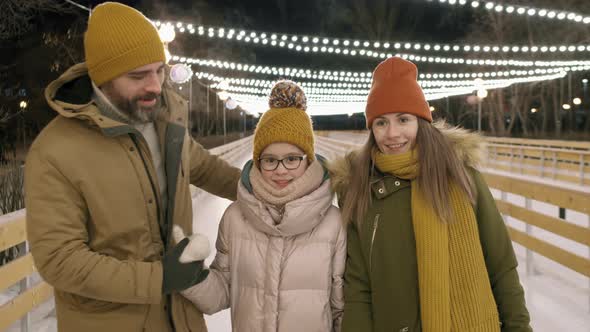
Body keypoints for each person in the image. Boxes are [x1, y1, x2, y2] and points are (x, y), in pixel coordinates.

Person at [24, 2, 240, 332]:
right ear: (103, 77)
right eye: (138, 76)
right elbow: (59, 260)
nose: (155, 85)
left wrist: (272, 185)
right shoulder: (56, 151)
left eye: (160, 70)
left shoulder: (165, 122)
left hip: (181, 318)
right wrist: (160, 277)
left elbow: (206, 168)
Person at [329, 57, 532, 332]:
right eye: (381, 123)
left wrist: (519, 327)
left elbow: (501, 267)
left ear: (421, 122)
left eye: (403, 119)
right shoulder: (359, 191)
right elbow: (358, 286)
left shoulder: (463, 180)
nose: (392, 134)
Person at [182, 80, 346, 332]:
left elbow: (341, 308)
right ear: (257, 161)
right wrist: (190, 275)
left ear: (308, 160)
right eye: (270, 160)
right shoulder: (235, 218)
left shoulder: (333, 223)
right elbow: (221, 294)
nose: (281, 170)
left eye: (292, 159)